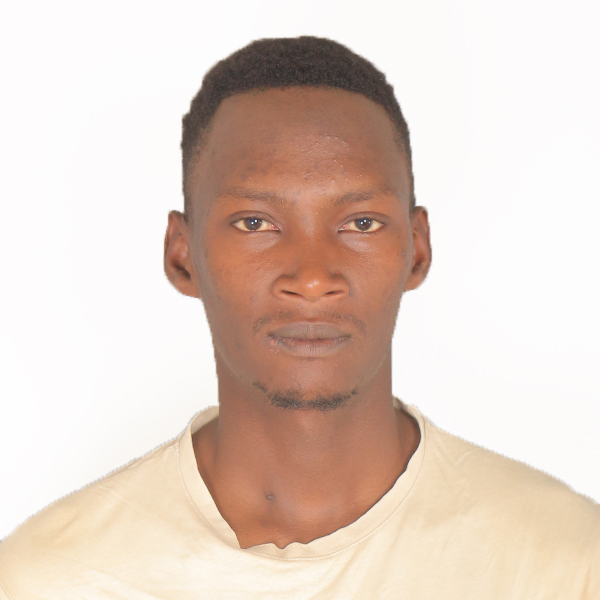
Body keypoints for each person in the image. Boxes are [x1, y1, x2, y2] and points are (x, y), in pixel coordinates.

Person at [0, 36, 598, 599]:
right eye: (255, 223)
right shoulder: (53, 580)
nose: (312, 278)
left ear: (416, 250)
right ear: (183, 257)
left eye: (360, 223)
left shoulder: (565, 564)